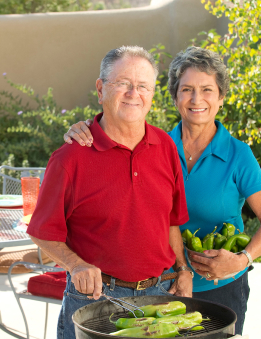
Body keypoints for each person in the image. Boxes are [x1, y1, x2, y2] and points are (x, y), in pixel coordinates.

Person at [63, 46, 261, 335]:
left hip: (221, 287)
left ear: (221, 98)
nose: (196, 99)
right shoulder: (153, 146)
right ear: (174, 96)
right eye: (186, 89)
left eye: (207, 90)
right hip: (164, 288)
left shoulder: (237, 154)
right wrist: (83, 130)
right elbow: (111, 134)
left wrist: (241, 260)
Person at [27, 46, 194, 339]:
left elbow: (171, 220)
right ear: (101, 89)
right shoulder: (70, 158)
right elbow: (41, 231)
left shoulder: (166, 146)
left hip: (160, 296)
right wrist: (76, 265)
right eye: (123, 84)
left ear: (152, 94)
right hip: (96, 298)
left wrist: (183, 269)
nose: (134, 93)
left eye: (143, 86)